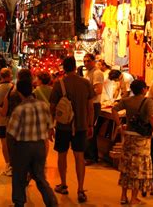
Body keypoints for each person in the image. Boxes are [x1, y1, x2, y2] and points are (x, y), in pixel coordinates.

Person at [49, 56, 95, 203]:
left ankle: (63, 184)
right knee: (79, 156)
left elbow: (52, 107)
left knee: (62, 155)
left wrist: (51, 125)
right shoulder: (86, 83)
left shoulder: (59, 84)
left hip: (63, 126)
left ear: (64, 67)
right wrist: (90, 124)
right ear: (75, 67)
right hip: (81, 125)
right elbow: (90, 106)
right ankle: (80, 189)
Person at [6, 79, 58, 207]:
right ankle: (52, 202)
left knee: (19, 176)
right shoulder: (43, 106)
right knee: (39, 176)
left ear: (19, 92)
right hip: (39, 145)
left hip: (23, 147)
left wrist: (11, 155)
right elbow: (50, 126)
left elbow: (11, 134)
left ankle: (19, 203)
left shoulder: (19, 109)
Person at [111, 80, 153, 205]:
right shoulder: (148, 101)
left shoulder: (127, 100)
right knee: (138, 168)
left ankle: (123, 196)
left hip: (128, 138)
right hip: (141, 139)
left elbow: (114, 110)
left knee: (126, 167)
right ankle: (134, 198)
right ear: (143, 89)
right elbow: (152, 117)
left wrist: (119, 125)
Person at [83, 53, 104, 165]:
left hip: (94, 105)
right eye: (84, 61)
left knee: (91, 130)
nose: (86, 63)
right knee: (88, 129)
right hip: (89, 104)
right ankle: (90, 156)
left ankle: (91, 157)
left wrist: (87, 95)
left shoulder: (97, 73)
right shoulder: (87, 73)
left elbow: (98, 90)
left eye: (88, 61)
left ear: (93, 61)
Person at [0, 68, 14, 176]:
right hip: (14, 120)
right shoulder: (14, 88)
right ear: (10, 75)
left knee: (4, 144)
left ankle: (8, 165)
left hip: (2, 121)